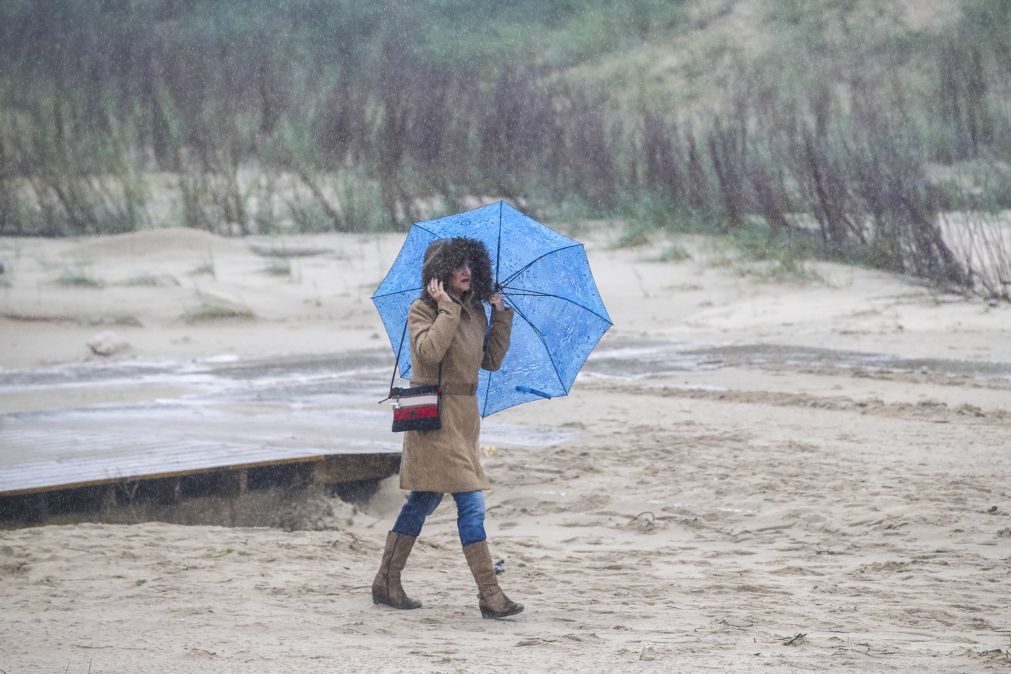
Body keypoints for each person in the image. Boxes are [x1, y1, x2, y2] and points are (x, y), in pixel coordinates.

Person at [372, 236, 523, 619]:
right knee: (470, 502)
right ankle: (490, 593)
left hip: (464, 420)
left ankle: (386, 580)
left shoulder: (476, 312)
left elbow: (489, 361)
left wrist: (501, 315)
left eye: (471, 264)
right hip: (435, 422)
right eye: (458, 265)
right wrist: (445, 309)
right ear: (438, 273)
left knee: (424, 500)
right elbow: (428, 353)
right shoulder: (422, 310)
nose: (466, 272)